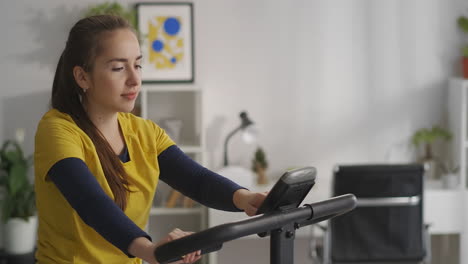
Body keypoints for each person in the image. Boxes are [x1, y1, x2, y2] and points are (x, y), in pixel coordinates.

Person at [34, 15, 266, 264]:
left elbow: (197, 181)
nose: (135, 79)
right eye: (118, 68)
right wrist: (150, 250)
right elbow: (91, 202)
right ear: (82, 77)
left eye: (138, 65)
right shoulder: (57, 130)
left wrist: (246, 199)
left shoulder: (145, 132)